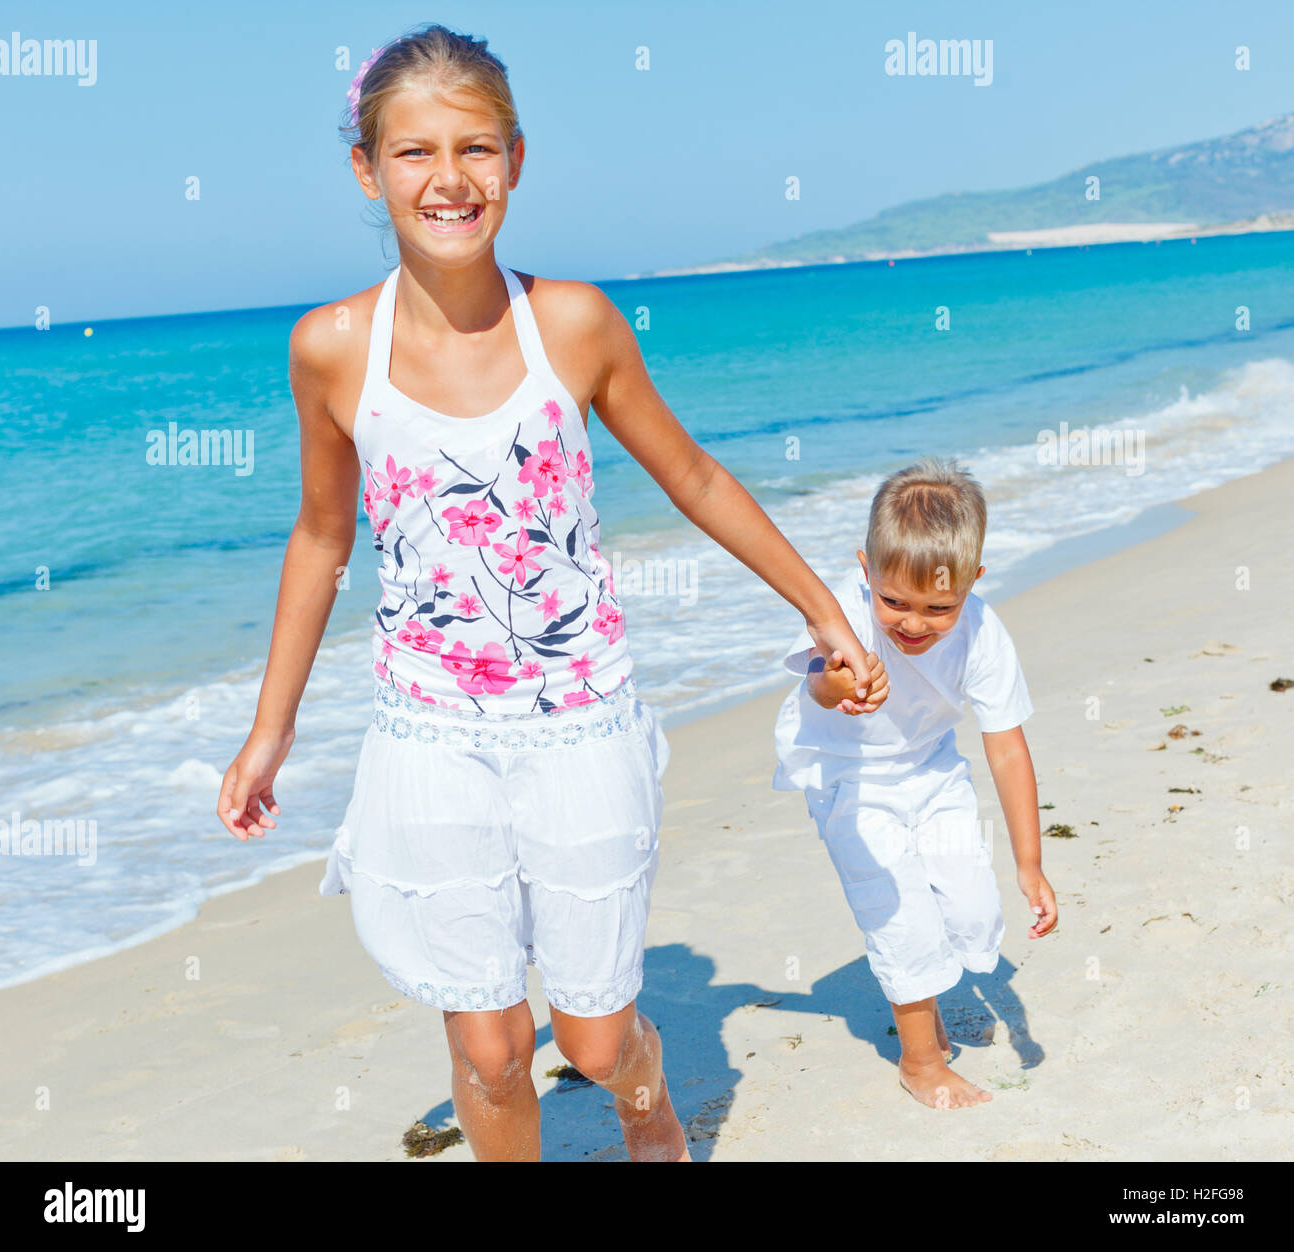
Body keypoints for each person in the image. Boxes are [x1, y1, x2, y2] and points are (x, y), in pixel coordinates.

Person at [215, 22, 887, 1160]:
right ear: (366, 169)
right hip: (427, 730)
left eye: (475, 149)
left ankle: (647, 1100)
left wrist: (819, 608)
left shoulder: (571, 322)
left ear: (516, 161)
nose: (448, 180)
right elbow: (323, 535)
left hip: (580, 721)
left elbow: (692, 474)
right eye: (415, 153)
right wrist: (267, 731)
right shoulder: (330, 347)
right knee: (486, 1051)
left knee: (589, 1039)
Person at [771, 457, 1058, 1109]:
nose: (911, 623)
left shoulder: (983, 632)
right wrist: (835, 681)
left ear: (972, 583)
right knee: (902, 917)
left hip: (931, 769)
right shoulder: (845, 606)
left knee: (973, 907)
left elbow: (1008, 748)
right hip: (847, 776)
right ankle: (921, 1060)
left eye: (938, 607)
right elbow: (815, 683)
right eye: (894, 601)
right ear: (865, 570)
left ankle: (928, 1000)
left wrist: (1031, 863)